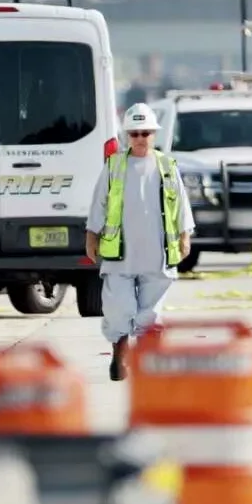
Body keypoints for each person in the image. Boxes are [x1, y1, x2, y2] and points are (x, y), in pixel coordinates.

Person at [85, 103, 195, 381]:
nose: (140, 138)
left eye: (145, 133)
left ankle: (148, 362)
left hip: (156, 253)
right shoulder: (114, 166)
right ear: (127, 136)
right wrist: (92, 235)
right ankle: (120, 354)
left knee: (151, 313)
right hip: (120, 253)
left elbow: (181, 204)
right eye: (134, 133)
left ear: (154, 134)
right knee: (118, 308)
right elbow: (99, 203)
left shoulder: (167, 166)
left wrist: (185, 236)